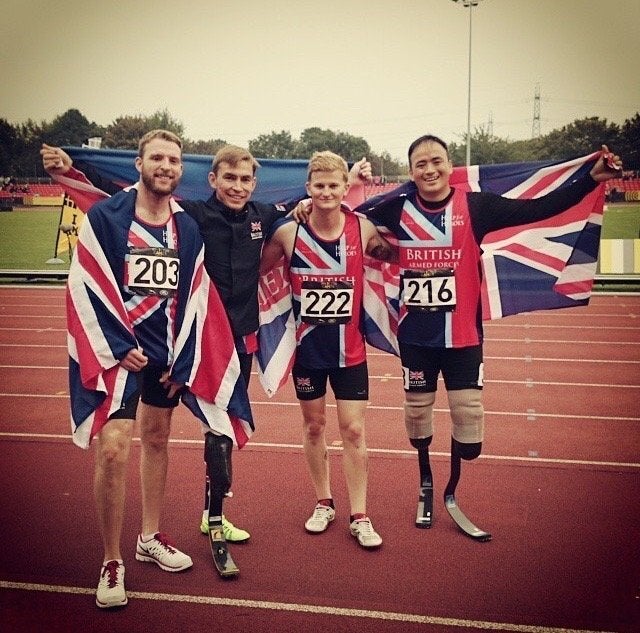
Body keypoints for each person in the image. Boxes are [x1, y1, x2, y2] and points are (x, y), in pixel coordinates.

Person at [42, 142, 370, 544]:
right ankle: (151, 532)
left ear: (255, 184)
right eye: (229, 178)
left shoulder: (265, 217)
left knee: (220, 431)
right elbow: (123, 199)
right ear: (213, 180)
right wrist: (76, 169)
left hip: (237, 342)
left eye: (245, 179)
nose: (237, 187)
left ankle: (214, 516)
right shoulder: (192, 216)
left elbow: (317, 203)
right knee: (157, 429)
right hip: (191, 338)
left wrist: (342, 186)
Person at [358, 135, 623, 531]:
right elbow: (348, 217)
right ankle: (427, 483)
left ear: (449, 165)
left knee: (470, 432)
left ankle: (453, 485)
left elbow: (541, 207)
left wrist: (591, 178)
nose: (429, 170)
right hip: (416, 338)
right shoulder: (397, 207)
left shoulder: (476, 205)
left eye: (436, 161)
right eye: (420, 164)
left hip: (464, 336)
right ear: (411, 171)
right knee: (417, 417)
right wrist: (330, 192)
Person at [42, 130, 251, 607]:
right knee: (114, 448)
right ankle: (112, 559)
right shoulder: (107, 217)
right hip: (119, 355)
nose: (166, 166)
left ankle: (149, 537)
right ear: (138, 164)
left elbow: (196, 293)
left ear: (182, 170)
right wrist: (118, 345)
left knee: (157, 439)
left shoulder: (187, 227)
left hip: (165, 357)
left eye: (174, 160)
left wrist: (186, 357)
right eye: (156, 157)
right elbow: (86, 281)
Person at [259, 151, 397, 549]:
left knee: (353, 429)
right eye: (318, 186)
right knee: (315, 426)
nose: (326, 192)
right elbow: (257, 270)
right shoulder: (289, 233)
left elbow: (395, 252)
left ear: (344, 188)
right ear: (309, 189)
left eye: (334, 185)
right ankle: (323, 502)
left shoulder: (363, 227)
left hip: (350, 351)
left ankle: (360, 514)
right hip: (309, 352)